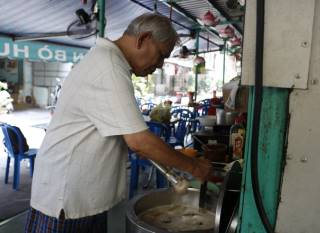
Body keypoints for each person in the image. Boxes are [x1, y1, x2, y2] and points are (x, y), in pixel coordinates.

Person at [25, 13, 212, 233]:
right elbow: (139, 141)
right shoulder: (108, 66)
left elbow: (128, 136)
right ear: (143, 39)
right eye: (161, 55)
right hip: (67, 199)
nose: (161, 65)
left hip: (84, 198)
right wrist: (195, 167)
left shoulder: (110, 63)